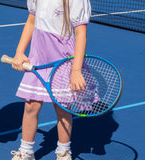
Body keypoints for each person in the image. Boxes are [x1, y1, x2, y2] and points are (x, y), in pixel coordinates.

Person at [11, 0, 91, 159]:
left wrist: (76, 70)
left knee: (62, 107)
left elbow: (81, 33)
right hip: (38, 60)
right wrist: (19, 52)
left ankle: (64, 152)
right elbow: (31, 21)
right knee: (31, 106)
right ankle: (25, 152)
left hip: (62, 62)